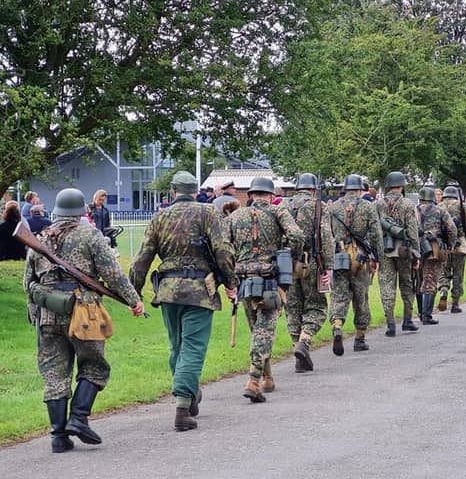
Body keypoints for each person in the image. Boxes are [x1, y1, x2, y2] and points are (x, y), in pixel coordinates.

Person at [23, 188, 144, 453]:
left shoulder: (41, 237)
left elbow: (28, 282)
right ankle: (78, 418)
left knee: (54, 374)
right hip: (83, 311)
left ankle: (58, 436)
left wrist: (34, 312)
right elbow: (112, 274)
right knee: (95, 366)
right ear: (81, 211)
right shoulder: (90, 235)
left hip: (47, 313)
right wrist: (134, 300)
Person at [130, 171, 236, 431]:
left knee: (177, 347)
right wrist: (231, 282)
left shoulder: (159, 217)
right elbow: (222, 251)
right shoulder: (209, 213)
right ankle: (182, 405)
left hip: (167, 291)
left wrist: (133, 293)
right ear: (194, 190)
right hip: (200, 290)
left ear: (174, 191)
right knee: (193, 348)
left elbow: (142, 259)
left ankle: (189, 393)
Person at [226, 177, 303, 402]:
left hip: (244, 281)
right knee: (264, 331)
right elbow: (297, 236)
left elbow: (223, 245)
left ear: (251, 195)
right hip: (271, 280)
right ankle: (253, 380)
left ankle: (267, 378)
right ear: (270, 195)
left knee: (258, 331)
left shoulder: (235, 216)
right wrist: (289, 255)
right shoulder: (278, 212)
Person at [283, 173, 334, 372]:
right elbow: (326, 237)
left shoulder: (283, 206)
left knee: (293, 308)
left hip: (286, 263)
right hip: (311, 261)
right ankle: (305, 341)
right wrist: (328, 265)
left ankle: (299, 355)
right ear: (314, 189)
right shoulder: (319, 207)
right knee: (317, 306)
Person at [328, 174, 383, 353]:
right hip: (361, 258)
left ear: (345, 188)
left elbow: (327, 233)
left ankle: (337, 325)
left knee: (339, 295)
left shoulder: (333, 207)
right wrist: (378, 257)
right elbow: (376, 235)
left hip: (340, 256)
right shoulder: (368, 207)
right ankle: (359, 338)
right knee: (361, 297)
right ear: (360, 189)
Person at [376, 171, 420, 337]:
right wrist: (416, 253)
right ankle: (407, 320)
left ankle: (390, 324)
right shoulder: (408, 204)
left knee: (387, 285)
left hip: (384, 250)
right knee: (407, 283)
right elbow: (413, 231)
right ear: (401, 186)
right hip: (404, 249)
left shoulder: (379, 204)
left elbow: (375, 230)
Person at [416, 187, 457, 325]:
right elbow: (452, 228)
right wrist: (450, 244)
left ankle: (418, 313)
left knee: (417, 280)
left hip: (415, 248)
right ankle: (426, 315)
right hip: (433, 247)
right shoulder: (440, 211)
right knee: (430, 279)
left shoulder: (413, 210)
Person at [437, 185, 466, 314]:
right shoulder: (461, 206)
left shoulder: (439, 206)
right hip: (459, 243)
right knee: (458, 274)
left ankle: (443, 290)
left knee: (444, 271)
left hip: (443, 245)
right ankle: (455, 303)